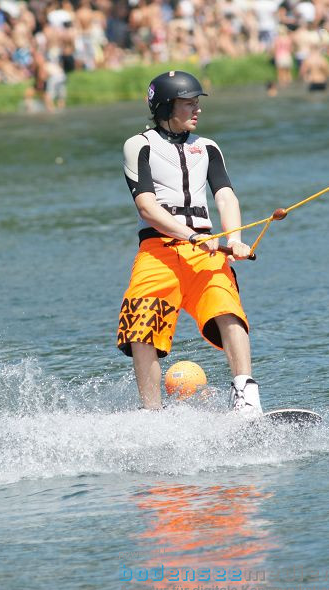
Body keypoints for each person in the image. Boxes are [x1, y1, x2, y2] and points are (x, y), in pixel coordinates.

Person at [116, 70, 262, 417]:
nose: (197, 110)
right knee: (142, 325)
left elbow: (225, 196)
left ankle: (245, 399)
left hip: (207, 251)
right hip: (158, 250)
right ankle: (152, 414)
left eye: (197, 103)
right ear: (166, 106)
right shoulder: (140, 145)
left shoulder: (208, 148)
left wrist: (235, 239)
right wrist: (191, 235)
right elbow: (146, 207)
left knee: (229, 312)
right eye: (188, 104)